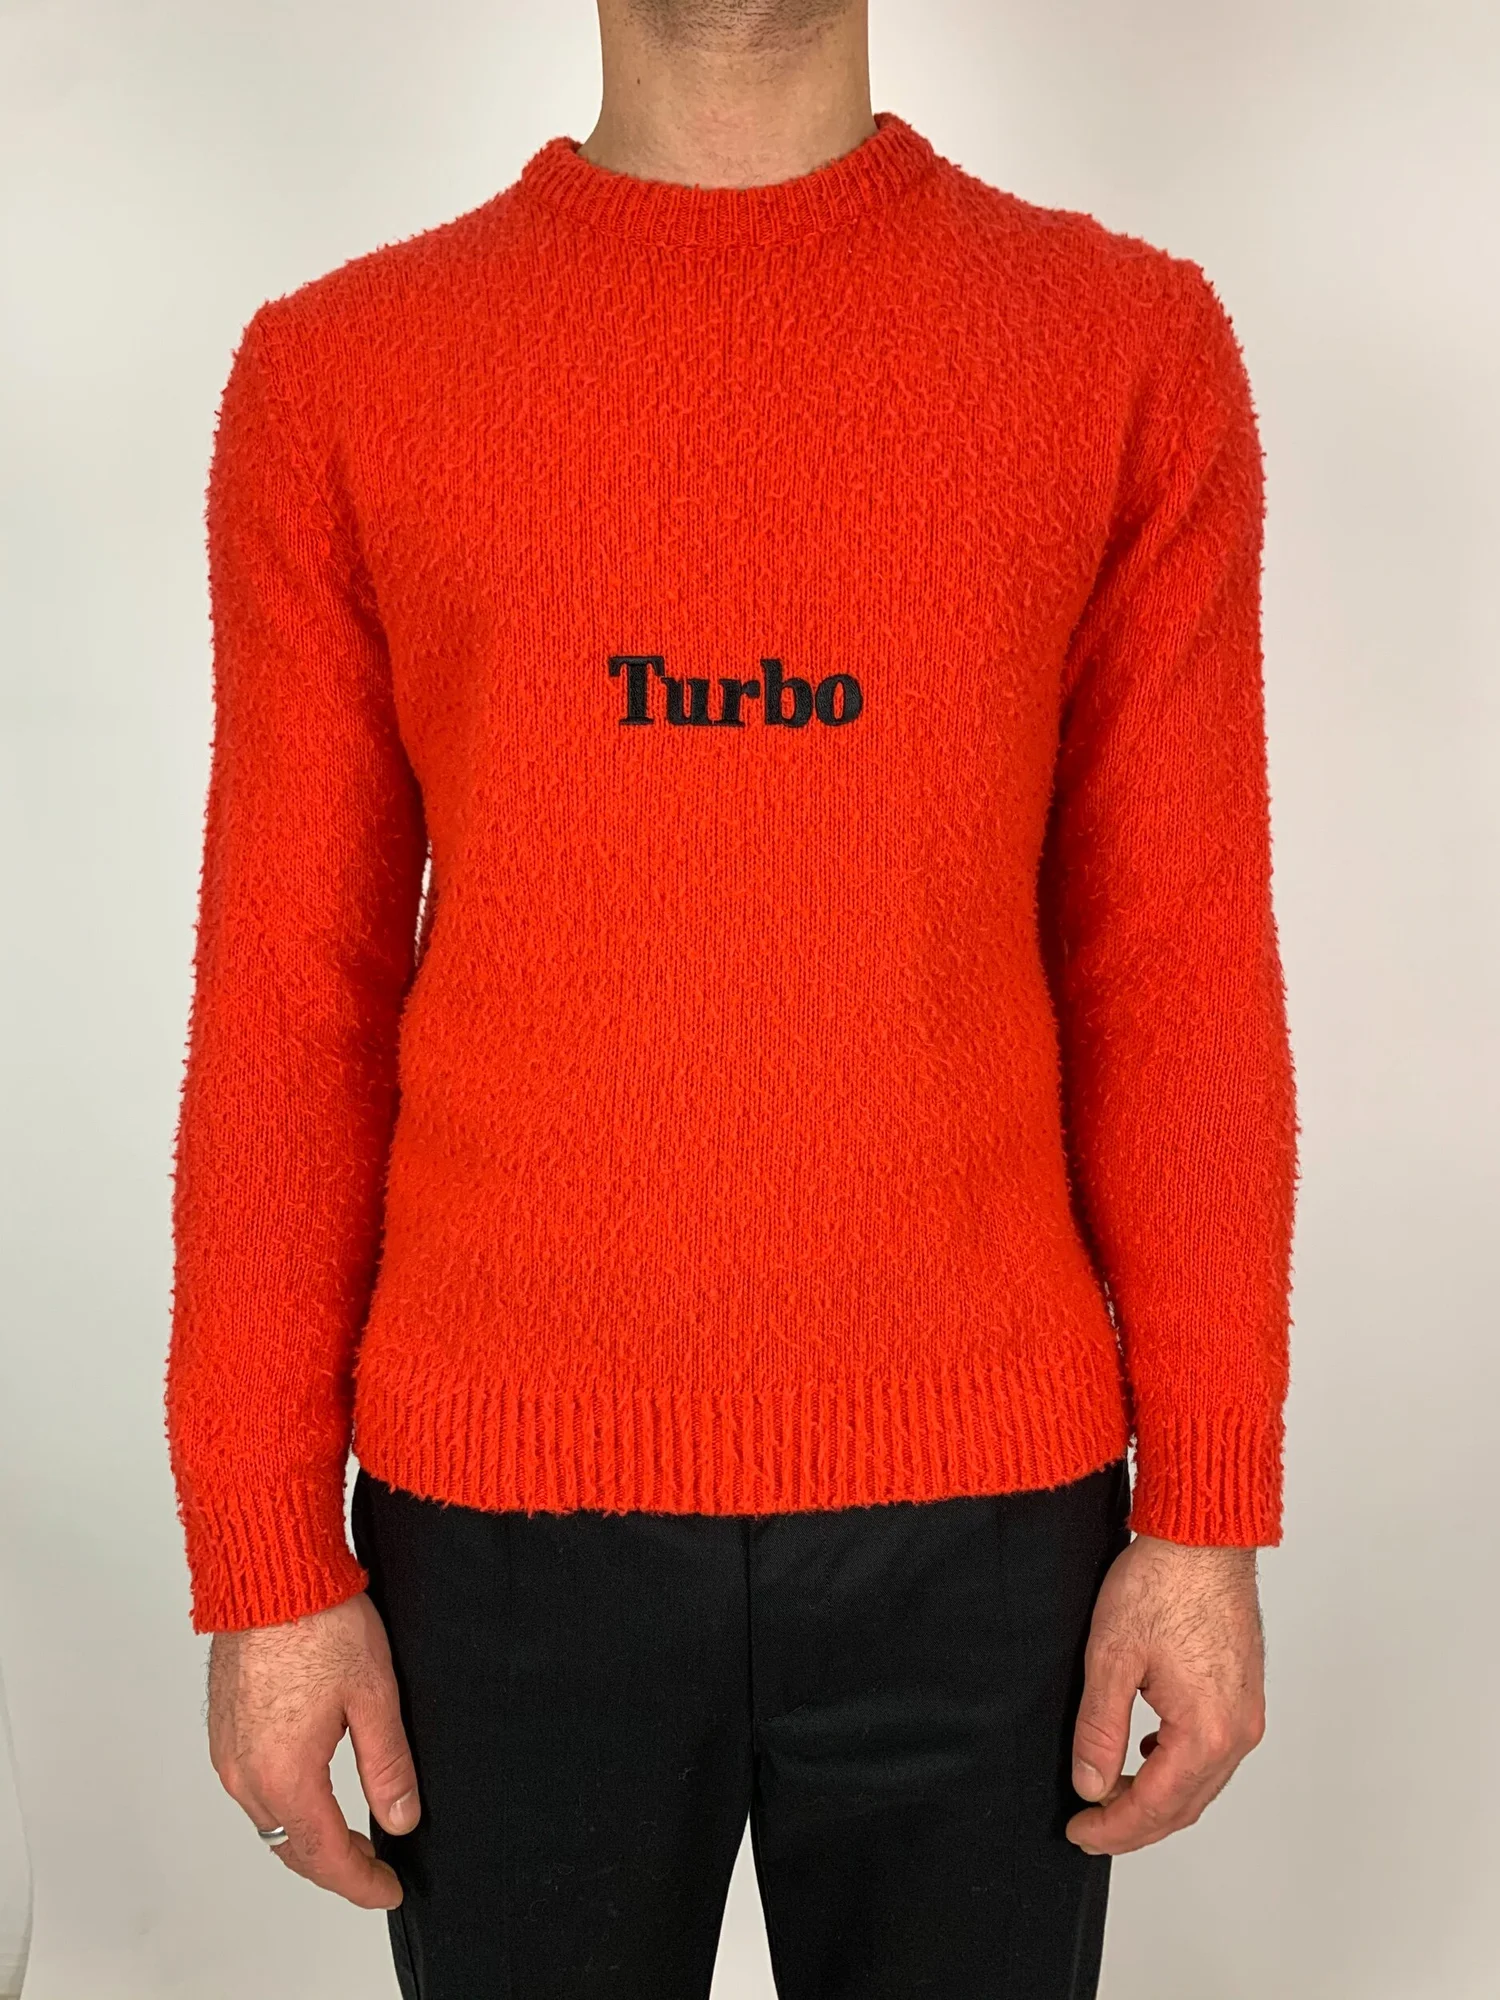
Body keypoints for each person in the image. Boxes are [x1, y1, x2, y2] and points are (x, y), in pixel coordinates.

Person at [165, 1, 1298, 1994]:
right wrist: (265, 1553)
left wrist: (1206, 1510)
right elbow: (289, 999)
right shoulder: (340, 373)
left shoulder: (1127, 350)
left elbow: (1175, 966)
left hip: (992, 1516)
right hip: (494, 1519)